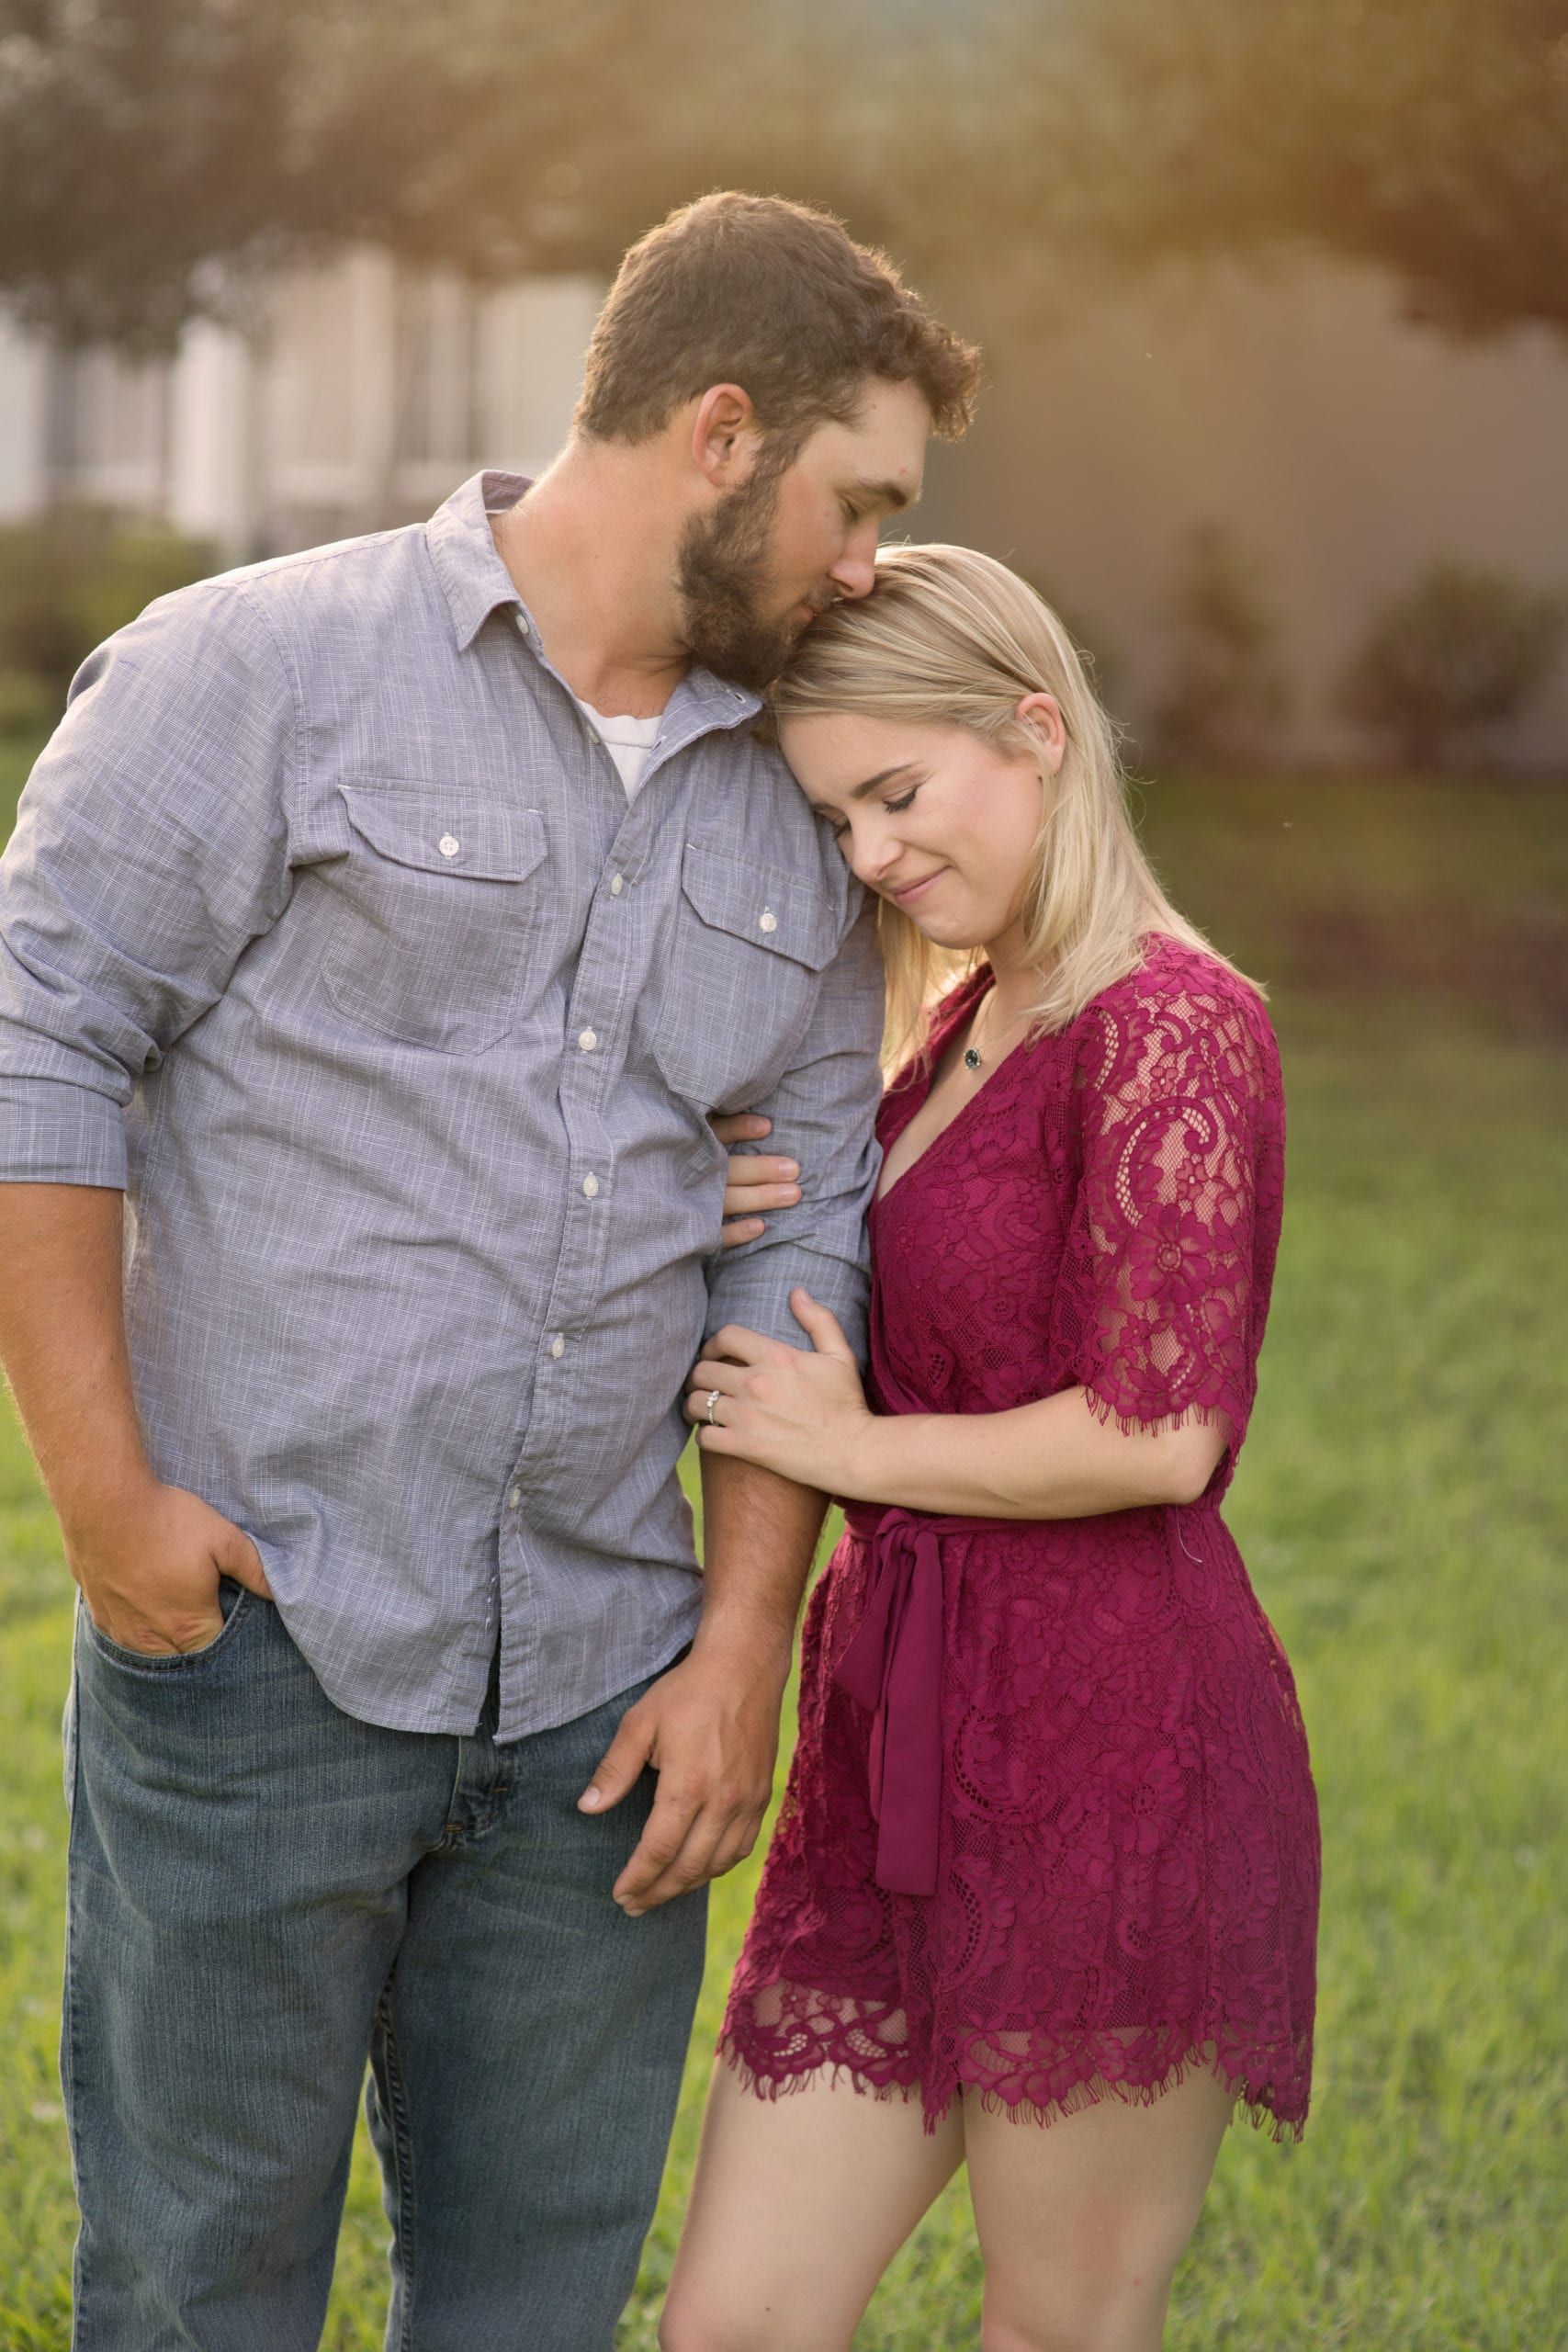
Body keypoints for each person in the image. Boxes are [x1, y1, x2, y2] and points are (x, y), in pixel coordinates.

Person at [0, 197, 979, 2348]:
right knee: (196, 2292)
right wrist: (109, 1515)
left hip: (604, 1711)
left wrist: (741, 1644)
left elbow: (804, 1207)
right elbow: (37, 1043)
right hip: (260, 1639)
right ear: (720, 433)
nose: (864, 569)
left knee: (534, 2306)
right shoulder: (248, 670)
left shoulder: (793, 808)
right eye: (855, 503)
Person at [662, 545, 1321, 2352]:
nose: (868, 855)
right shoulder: (960, 1020)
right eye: (836, 820)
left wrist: (852, 1444)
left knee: (1049, 2330)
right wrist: (693, 1201)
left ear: (1032, 731)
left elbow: (1158, 1430)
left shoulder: (1174, 1023)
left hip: (1108, 1756)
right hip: (896, 1746)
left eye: (895, 794)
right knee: (732, 2320)